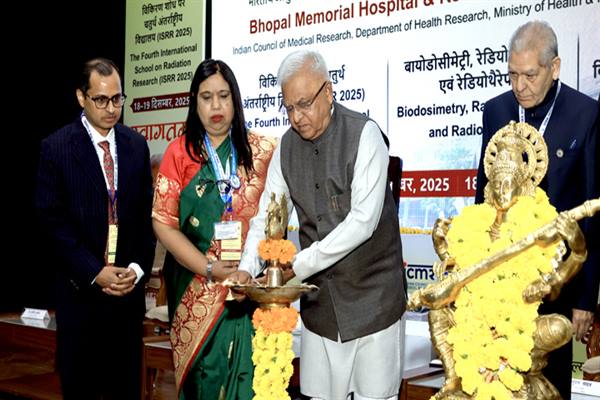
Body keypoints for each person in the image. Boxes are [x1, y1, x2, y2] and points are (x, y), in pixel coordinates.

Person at [233, 49, 407, 400]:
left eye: (304, 104)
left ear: (328, 92)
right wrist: (247, 268)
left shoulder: (365, 135)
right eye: (289, 108)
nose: (297, 117)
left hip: (373, 303)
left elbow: (363, 223)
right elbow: (268, 215)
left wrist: (297, 266)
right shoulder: (286, 148)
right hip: (320, 309)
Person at [475, 20, 600, 399]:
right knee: (497, 381)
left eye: (530, 75)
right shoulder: (496, 111)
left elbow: (593, 213)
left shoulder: (586, 114)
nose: (520, 86)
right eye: (512, 74)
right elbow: (482, 193)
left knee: (550, 386)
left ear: (554, 67)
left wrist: (585, 300)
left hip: (557, 282)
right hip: (501, 281)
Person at [152, 59, 277, 399]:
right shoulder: (179, 153)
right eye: (206, 98)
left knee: (250, 381)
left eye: (224, 96)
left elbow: (274, 218)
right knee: (204, 382)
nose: (216, 106)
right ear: (195, 102)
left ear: (235, 99)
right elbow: (163, 223)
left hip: (248, 287)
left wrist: (249, 269)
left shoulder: (264, 151)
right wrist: (208, 268)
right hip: (195, 288)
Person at [36, 57, 155, 399]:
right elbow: (51, 224)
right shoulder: (56, 148)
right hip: (80, 298)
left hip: (126, 301)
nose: (111, 108)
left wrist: (136, 269)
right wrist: (94, 272)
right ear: (81, 97)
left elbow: (147, 219)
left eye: (117, 98)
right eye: (101, 100)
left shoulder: (135, 146)